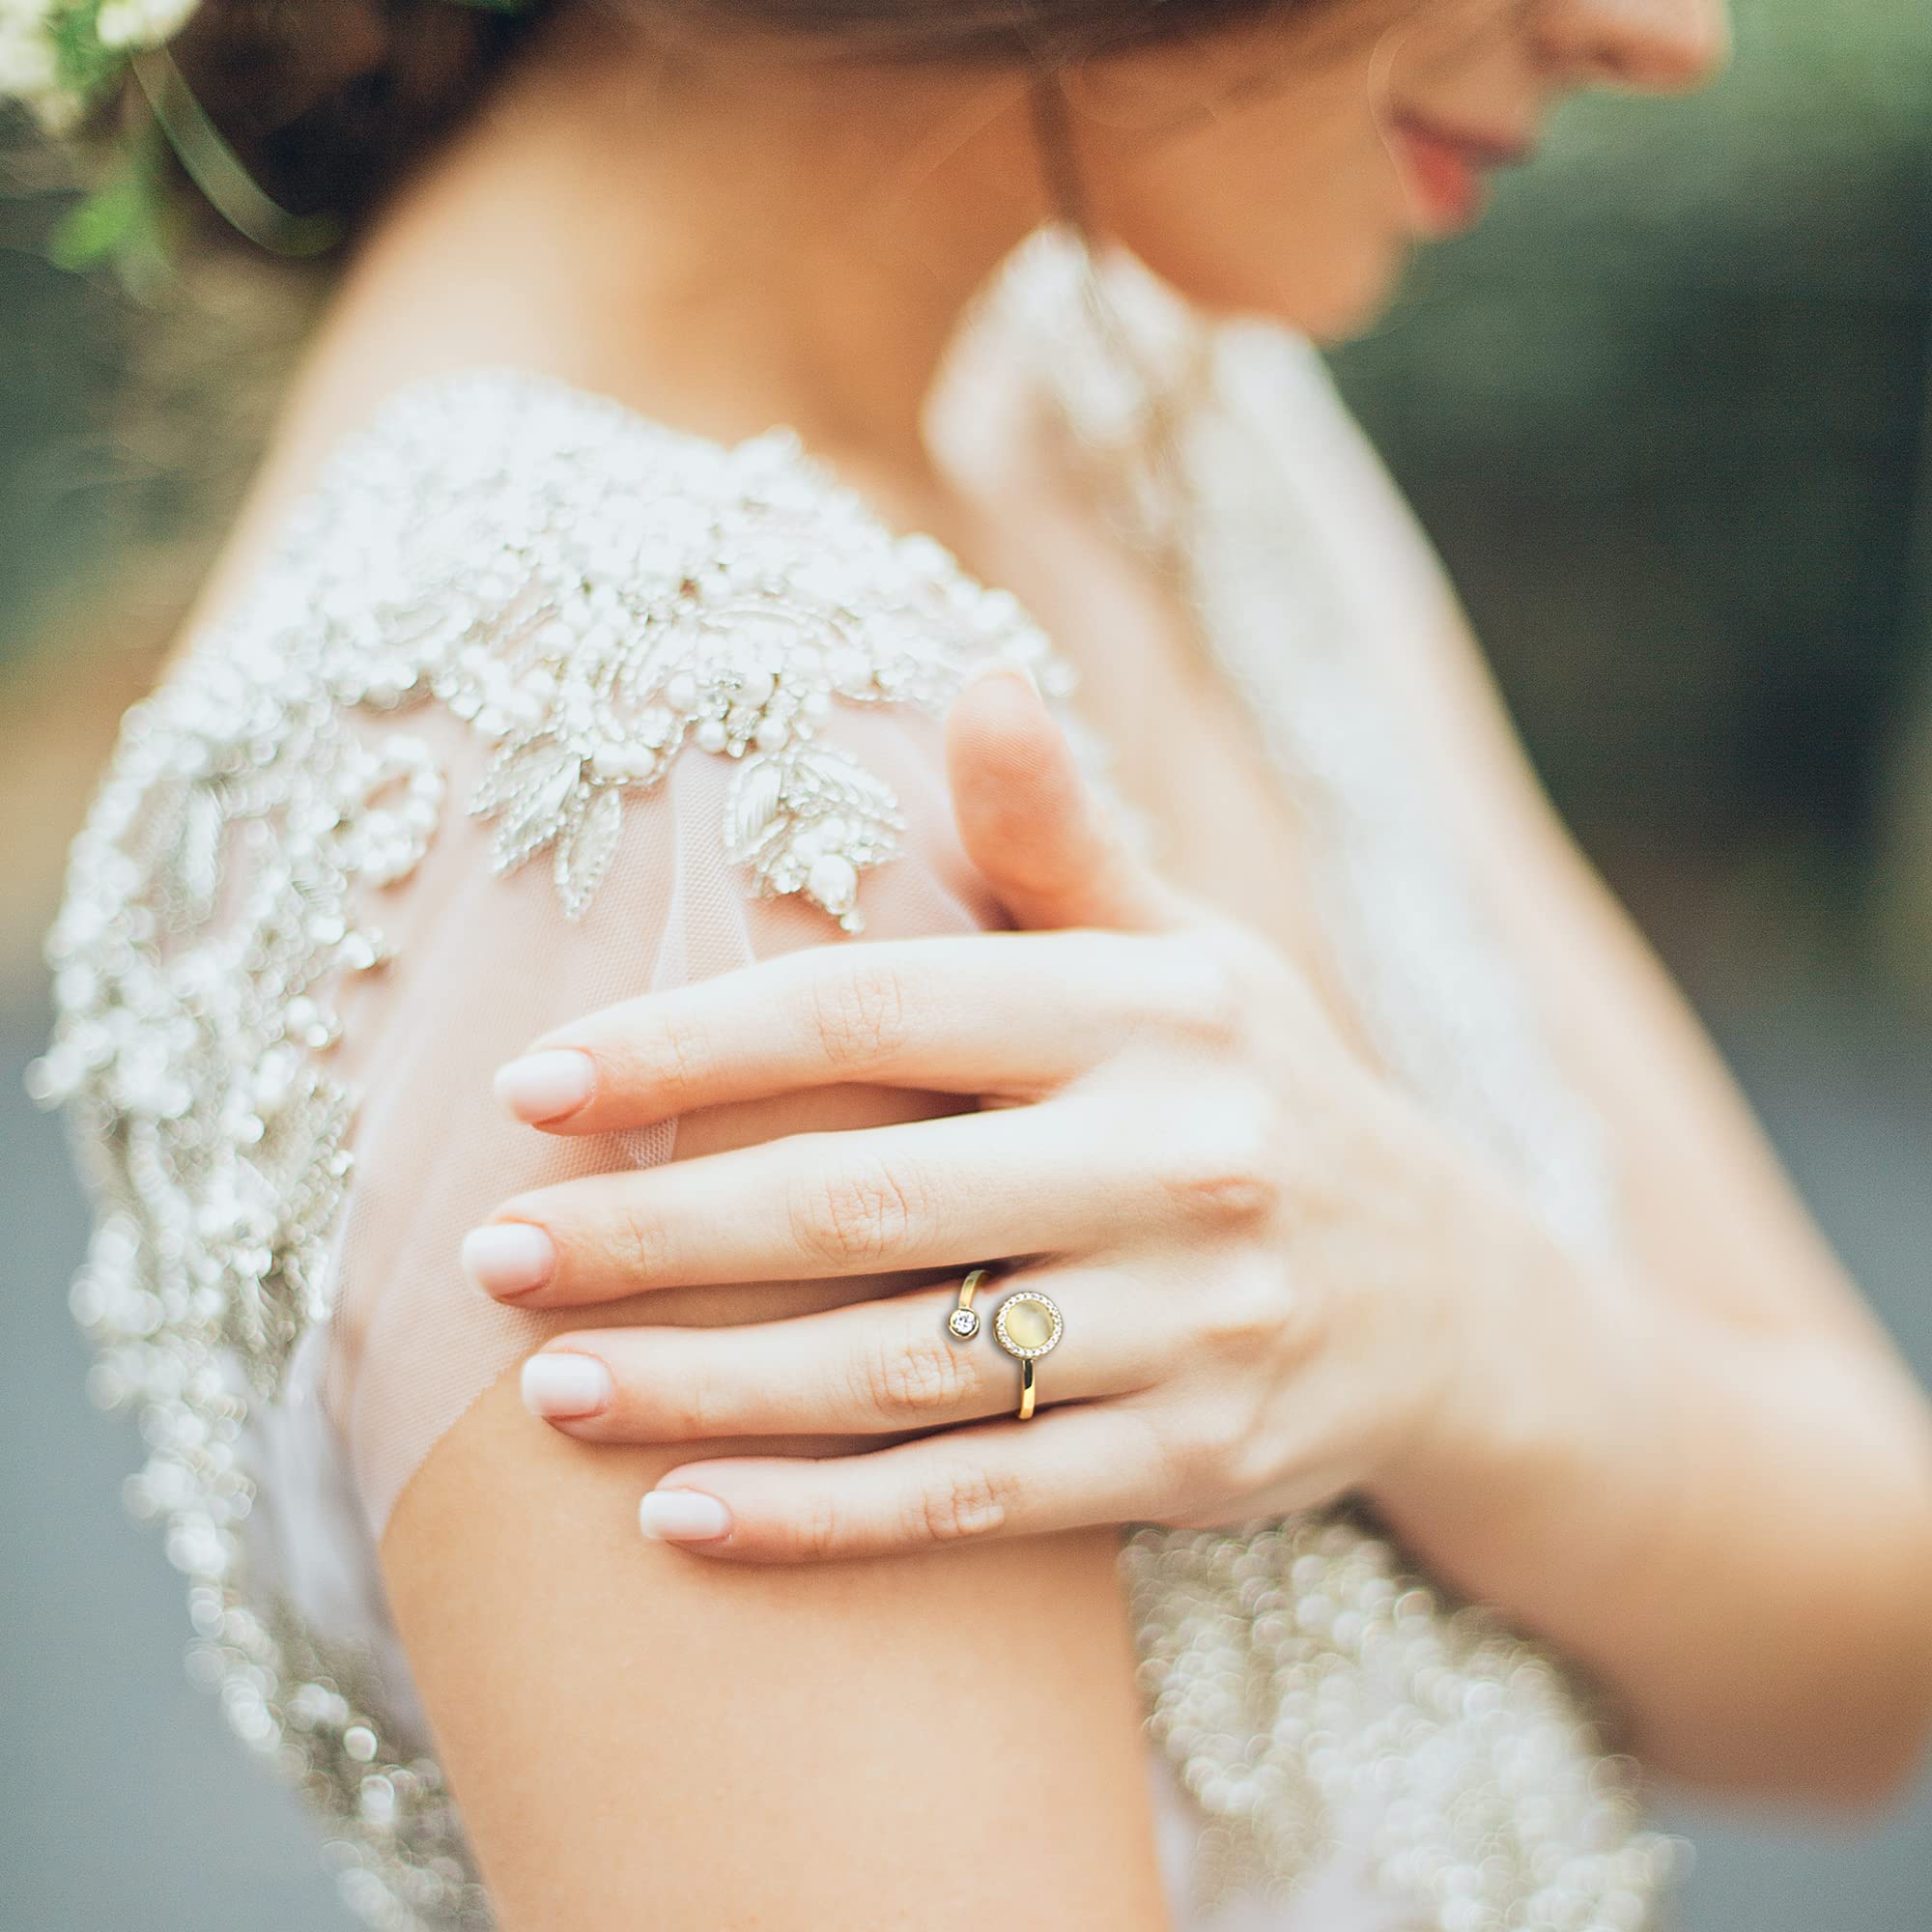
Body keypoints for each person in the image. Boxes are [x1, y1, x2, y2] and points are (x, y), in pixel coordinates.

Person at [26, 0, 1932, 1927]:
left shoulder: (1135, 377)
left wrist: (1461, 1324)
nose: (1661, 37)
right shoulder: (645, 759)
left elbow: (1869, 1631)